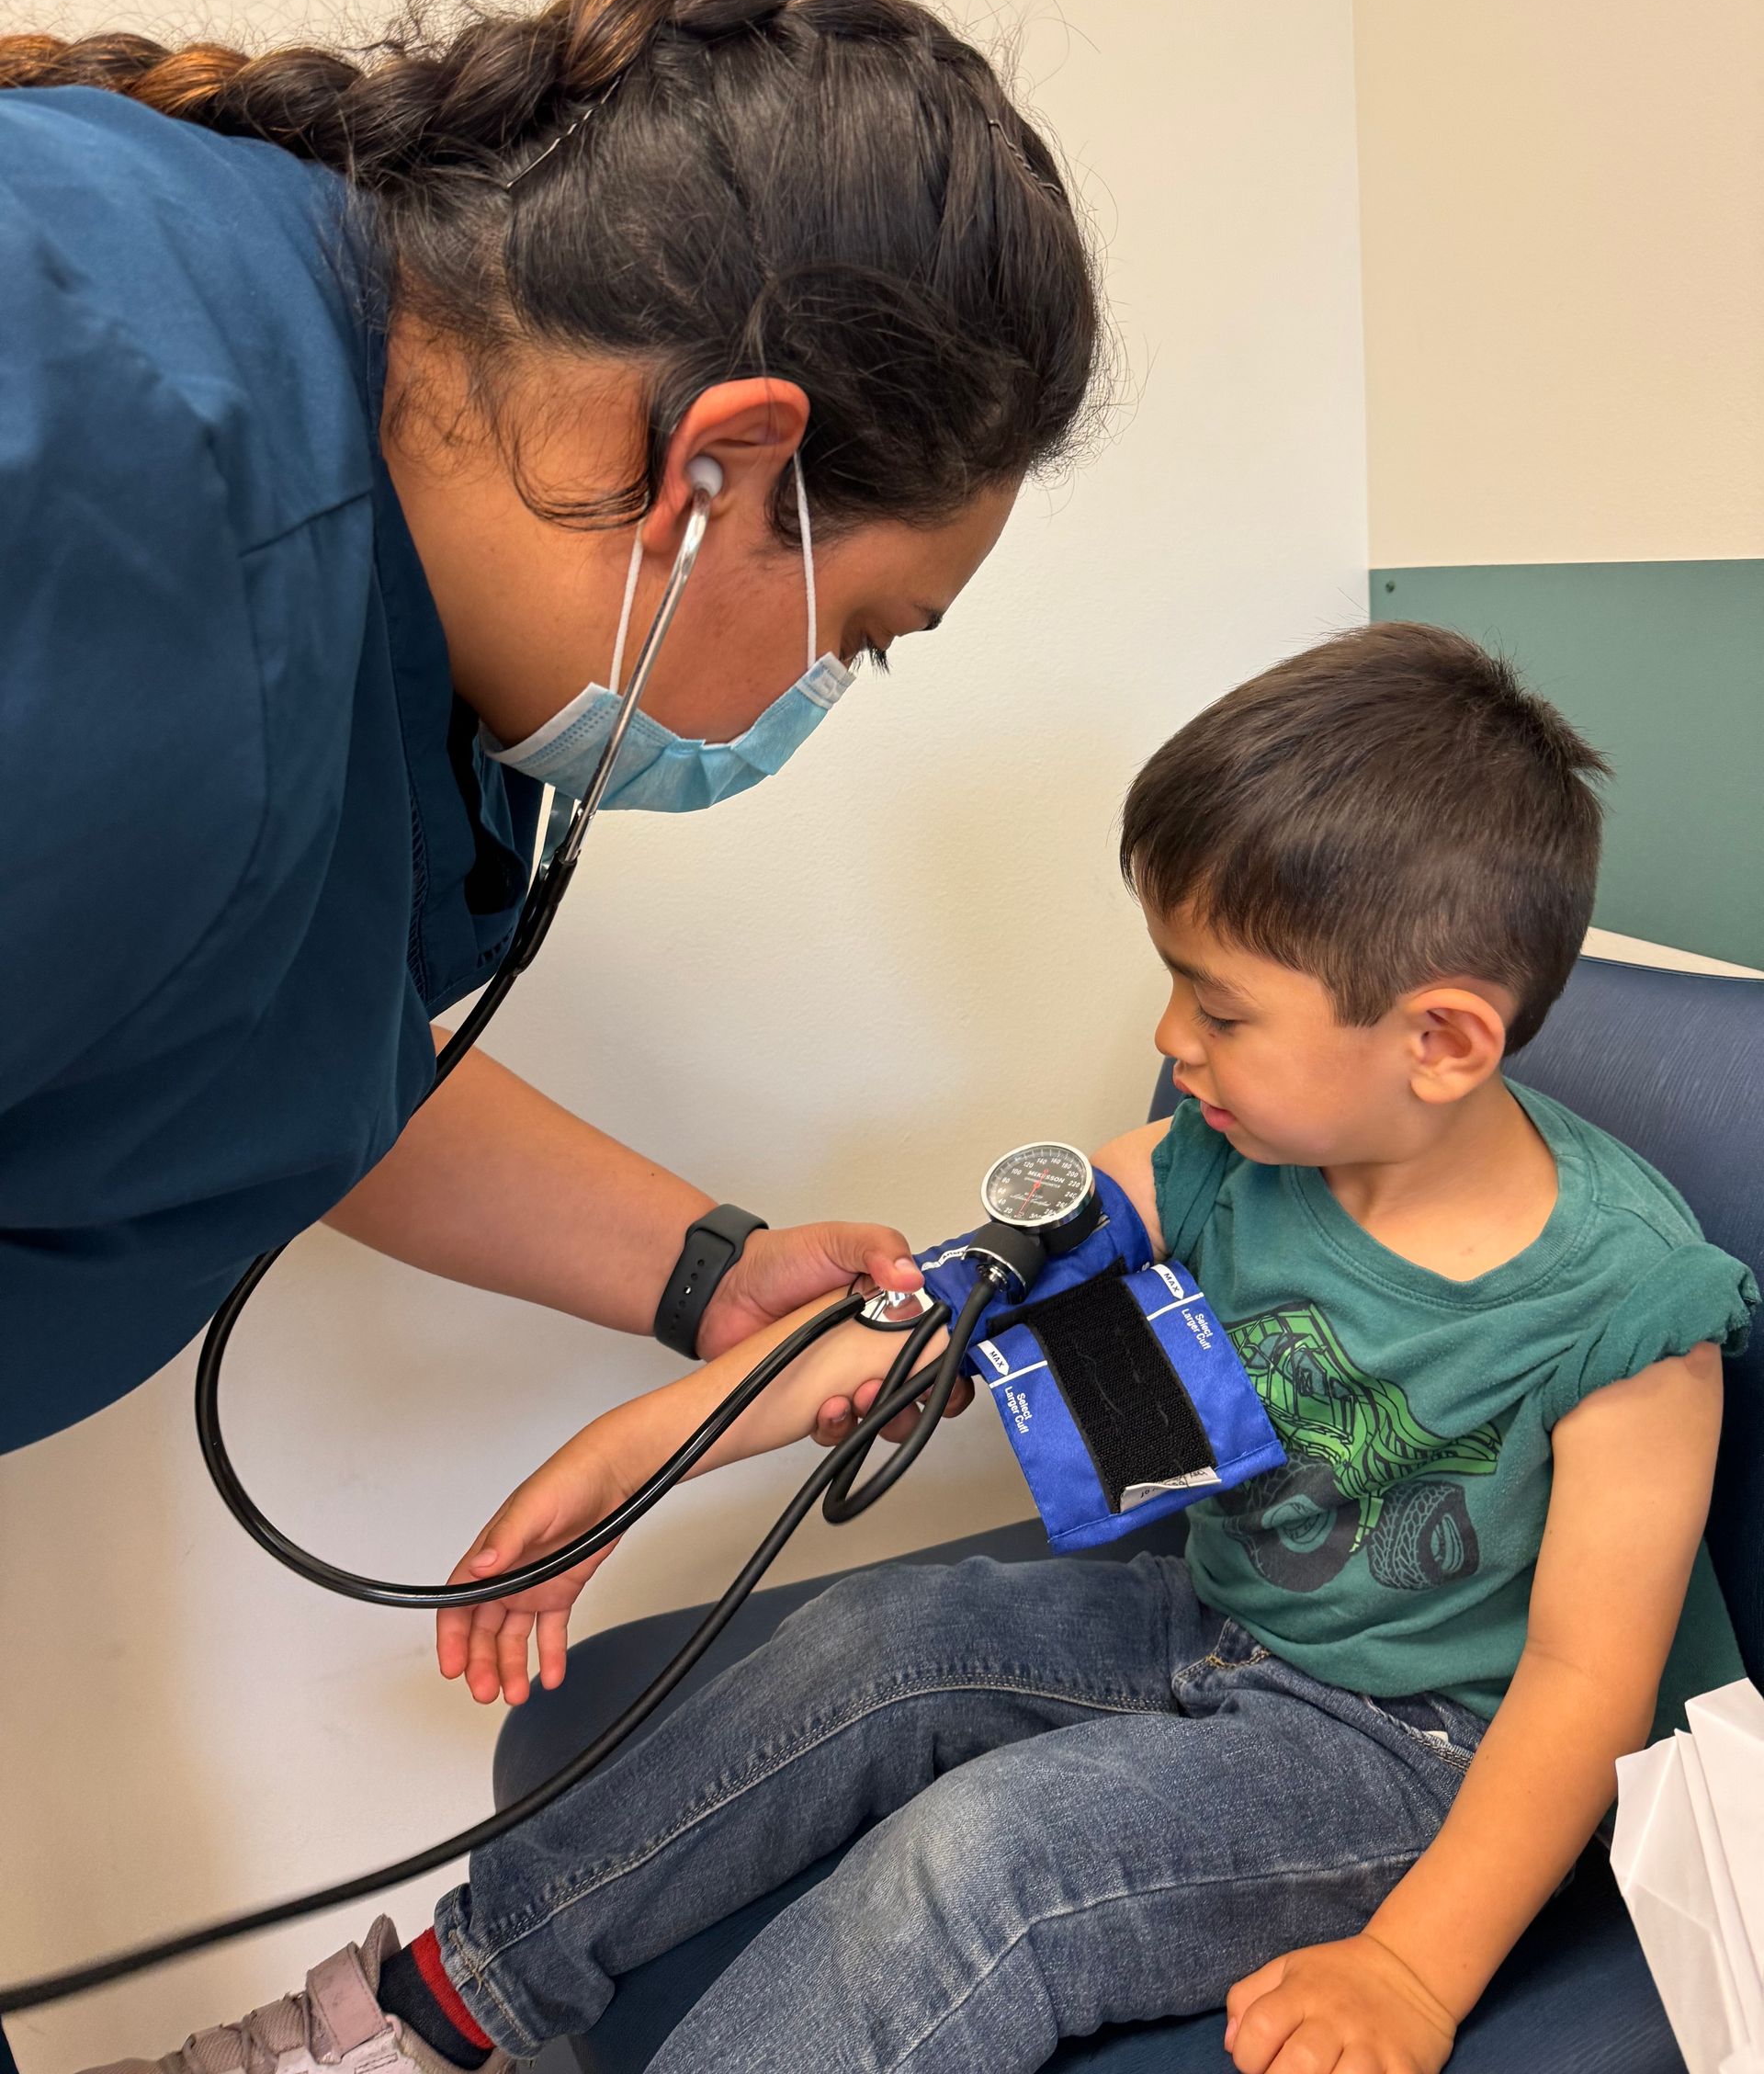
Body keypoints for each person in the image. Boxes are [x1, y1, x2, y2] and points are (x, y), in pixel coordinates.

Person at [96, 623, 1758, 2074]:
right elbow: (921, 1317)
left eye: (1220, 1006)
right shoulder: (1216, 1159)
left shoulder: (1626, 1307)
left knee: (985, 1862)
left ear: (1444, 1039)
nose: (1174, 1041)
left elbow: (1583, 1690)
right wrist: (629, 1455)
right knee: (883, 1642)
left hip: (1419, 1760)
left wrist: (1410, 1968)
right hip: (1223, 1619)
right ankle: (440, 2012)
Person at [0, 0, 1101, 1467]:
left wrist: (703, 1269)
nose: (821, 691)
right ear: (720, 470)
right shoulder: (142, 567)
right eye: (862, 634)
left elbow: (258, 1036)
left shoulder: (302, 463)